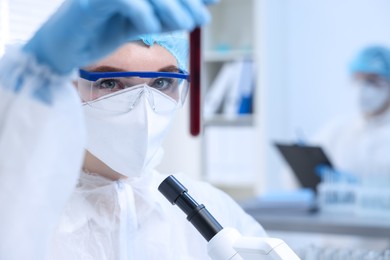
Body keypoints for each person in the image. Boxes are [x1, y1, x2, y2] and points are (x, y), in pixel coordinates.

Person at [0, 0, 266, 259]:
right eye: (111, 82)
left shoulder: (211, 208)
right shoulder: (21, 210)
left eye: (162, 82)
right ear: (70, 87)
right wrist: (35, 69)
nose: (142, 112)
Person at [311, 46, 390, 179]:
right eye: (357, 79)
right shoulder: (337, 130)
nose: (362, 88)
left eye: (372, 81)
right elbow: (293, 176)